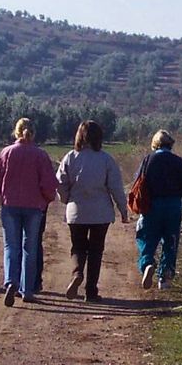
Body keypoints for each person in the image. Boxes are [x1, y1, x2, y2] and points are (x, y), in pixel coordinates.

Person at [0, 117, 57, 306]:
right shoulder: (40, 155)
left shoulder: (6, 153)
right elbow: (49, 185)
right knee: (30, 248)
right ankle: (27, 289)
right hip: (34, 208)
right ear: (33, 133)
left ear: (16, 132)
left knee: (11, 247)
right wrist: (46, 199)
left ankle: (11, 281)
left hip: (10, 206)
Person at [55, 119, 128, 301]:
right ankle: (91, 291)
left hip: (76, 211)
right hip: (100, 213)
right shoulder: (106, 160)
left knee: (78, 247)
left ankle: (77, 273)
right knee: (96, 251)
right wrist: (123, 210)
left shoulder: (70, 157)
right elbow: (116, 187)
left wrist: (66, 200)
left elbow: (60, 183)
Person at [133, 129, 182, 290]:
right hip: (174, 205)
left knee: (145, 237)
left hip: (152, 204)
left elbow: (138, 182)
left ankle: (147, 263)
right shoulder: (179, 161)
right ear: (170, 144)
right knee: (170, 241)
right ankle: (165, 278)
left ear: (155, 144)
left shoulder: (148, 160)